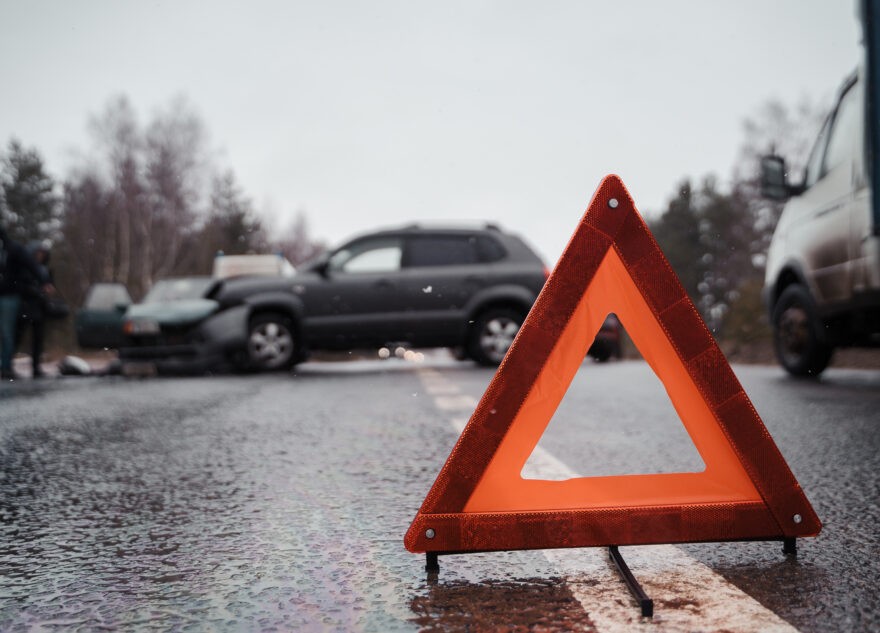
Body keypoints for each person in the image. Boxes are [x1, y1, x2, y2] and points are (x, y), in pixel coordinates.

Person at [0, 226, 52, 380]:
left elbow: (32, 266)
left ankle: (6, 367)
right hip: (14, 298)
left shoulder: (13, 249)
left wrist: (44, 282)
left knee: (8, 334)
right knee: (10, 334)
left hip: (10, 298)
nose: (40, 256)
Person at [16, 241, 53, 378]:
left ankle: (36, 366)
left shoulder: (45, 270)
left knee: (38, 338)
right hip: (26, 307)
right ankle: (6, 364)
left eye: (43, 253)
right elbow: (23, 286)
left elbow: (49, 283)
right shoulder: (26, 269)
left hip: (40, 308)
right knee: (17, 337)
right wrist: (38, 291)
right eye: (38, 253)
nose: (40, 256)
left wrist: (47, 290)